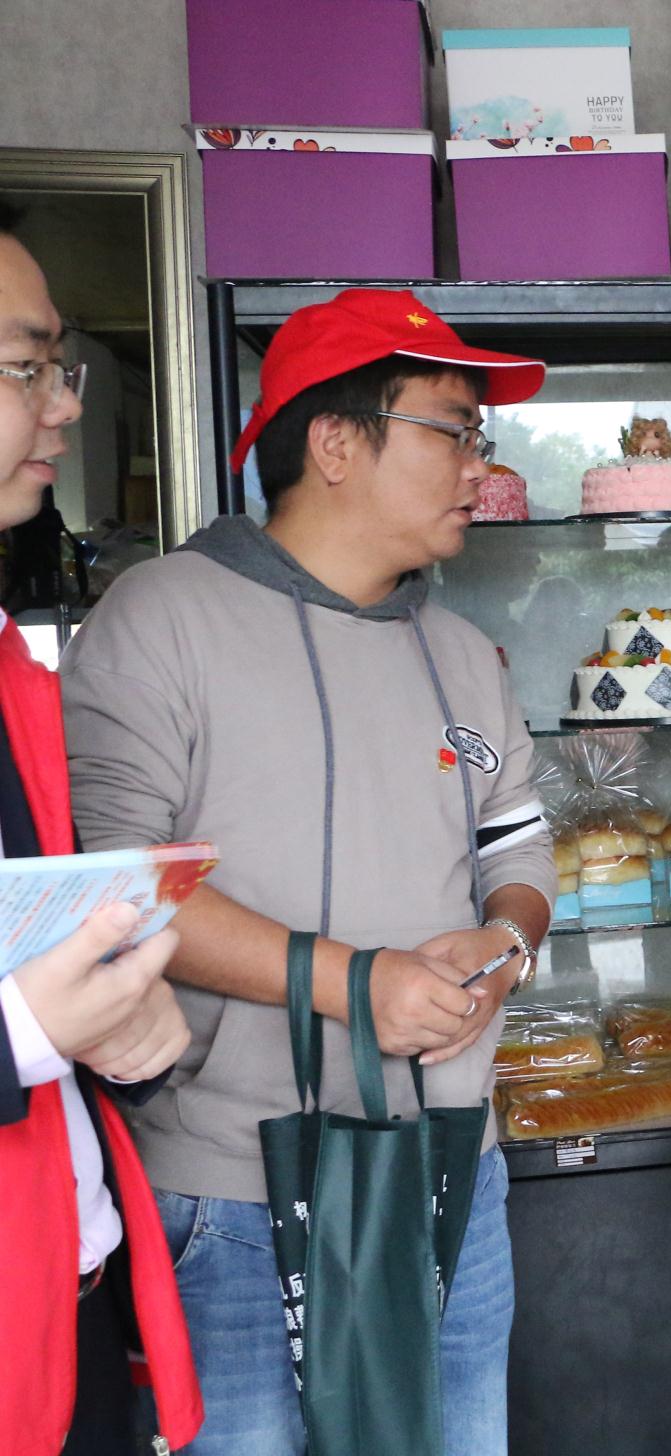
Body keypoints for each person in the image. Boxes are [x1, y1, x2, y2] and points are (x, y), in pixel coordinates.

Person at [60, 288, 558, 1456]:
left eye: (481, 436)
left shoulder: (459, 653)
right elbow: (114, 881)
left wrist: (505, 943)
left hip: (450, 1165)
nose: (479, 468)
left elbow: (516, 846)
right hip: (236, 1189)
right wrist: (354, 982)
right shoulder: (162, 616)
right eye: (453, 430)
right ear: (335, 442)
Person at [0, 201, 203, 1456]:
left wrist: (119, 1026)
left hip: (66, 1295)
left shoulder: (12, 671)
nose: (66, 408)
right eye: (30, 367)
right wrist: (29, 1030)